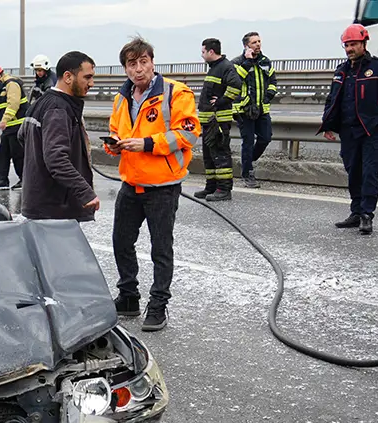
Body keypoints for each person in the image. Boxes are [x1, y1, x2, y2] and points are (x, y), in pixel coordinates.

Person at [104, 37, 200, 332]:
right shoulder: (122, 97)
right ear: (125, 68)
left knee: (161, 248)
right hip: (131, 183)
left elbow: (188, 133)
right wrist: (115, 146)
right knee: (121, 242)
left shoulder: (176, 93)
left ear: (152, 62)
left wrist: (146, 144)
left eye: (143, 61)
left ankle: (158, 305)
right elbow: (115, 130)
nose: (138, 69)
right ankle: (129, 296)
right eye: (132, 64)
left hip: (162, 185)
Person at [320, 24, 378, 236]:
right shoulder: (341, 70)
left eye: (353, 44)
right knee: (353, 172)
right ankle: (356, 212)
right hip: (349, 132)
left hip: (372, 132)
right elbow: (332, 100)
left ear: (364, 43)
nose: (349, 49)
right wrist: (328, 124)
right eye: (346, 45)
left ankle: (367, 215)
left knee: (369, 174)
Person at [19, 51, 98, 221]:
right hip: (55, 210)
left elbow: (22, 137)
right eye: (87, 77)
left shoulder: (41, 102)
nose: (92, 83)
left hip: (40, 205)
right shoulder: (58, 109)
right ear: (68, 77)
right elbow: (56, 158)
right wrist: (84, 192)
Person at [195, 38, 242, 201]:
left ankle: (224, 189)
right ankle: (211, 187)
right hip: (209, 122)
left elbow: (236, 86)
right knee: (209, 156)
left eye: (203, 52)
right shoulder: (215, 68)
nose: (201, 55)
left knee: (220, 155)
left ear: (211, 52)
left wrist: (222, 101)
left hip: (218, 122)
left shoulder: (225, 67)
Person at [232, 32, 278, 188]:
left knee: (266, 138)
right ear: (247, 46)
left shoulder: (265, 61)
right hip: (244, 109)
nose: (258, 44)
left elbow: (272, 80)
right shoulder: (238, 62)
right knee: (248, 141)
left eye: (259, 41)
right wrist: (248, 62)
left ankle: (248, 161)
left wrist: (270, 94)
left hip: (262, 108)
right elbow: (236, 81)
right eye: (254, 42)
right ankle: (248, 173)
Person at [0, 64, 27, 190]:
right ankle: (2, 180)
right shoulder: (3, 86)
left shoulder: (12, 84)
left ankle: (24, 180)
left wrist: (4, 120)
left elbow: (13, 104)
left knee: (18, 155)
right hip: (9, 127)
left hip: (17, 126)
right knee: (3, 154)